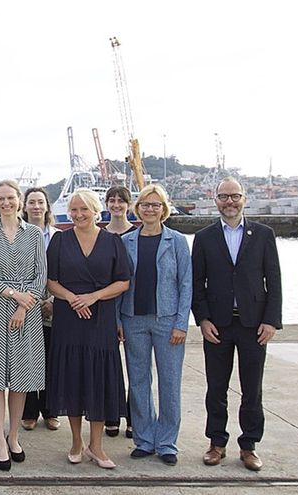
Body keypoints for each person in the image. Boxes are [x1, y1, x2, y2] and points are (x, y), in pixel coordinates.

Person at [192, 177, 282, 472]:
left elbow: (274, 279)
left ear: (244, 198)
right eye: (223, 197)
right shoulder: (204, 238)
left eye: (234, 196)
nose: (229, 202)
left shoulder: (263, 234)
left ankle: (249, 445)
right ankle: (216, 442)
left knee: (251, 389)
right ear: (215, 199)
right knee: (216, 388)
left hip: (253, 324)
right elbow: (197, 284)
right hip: (217, 325)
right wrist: (202, 319)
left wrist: (271, 320)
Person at [46, 188, 130, 470]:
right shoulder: (59, 240)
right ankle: (75, 442)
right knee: (73, 378)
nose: (79, 214)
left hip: (100, 316)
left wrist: (93, 297)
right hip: (68, 319)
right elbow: (50, 280)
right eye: (74, 210)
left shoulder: (112, 242)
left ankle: (96, 445)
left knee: (98, 378)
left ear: (97, 211)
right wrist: (72, 298)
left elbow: (123, 282)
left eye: (84, 209)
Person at [0, 180, 47, 471]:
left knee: (20, 380)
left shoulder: (35, 235)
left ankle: (14, 436)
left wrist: (21, 305)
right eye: (0, 198)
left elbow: (40, 276)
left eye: (10, 197)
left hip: (26, 314)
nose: (6, 202)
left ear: (19, 200)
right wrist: (13, 294)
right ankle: (0, 441)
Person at [118, 184, 191, 466]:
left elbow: (186, 284)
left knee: (170, 382)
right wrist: (117, 320)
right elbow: (121, 284)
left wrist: (181, 324)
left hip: (168, 321)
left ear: (164, 209)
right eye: (145, 205)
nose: (150, 209)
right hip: (133, 319)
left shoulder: (177, 242)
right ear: (138, 209)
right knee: (138, 382)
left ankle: (167, 442)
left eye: (155, 205)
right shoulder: (127, 242)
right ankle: (145, 439)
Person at [21, 187, 61, 432]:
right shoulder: (18, 235)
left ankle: (51, 410)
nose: (36, 207)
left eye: (40, 202)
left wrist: (53, 302)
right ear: (24, 207)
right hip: (26, 304)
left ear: (47, 206)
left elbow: (67, 272)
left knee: (51, 360)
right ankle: (29, 411)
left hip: (54, 306)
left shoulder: (59, 237)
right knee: (27, 359)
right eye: (31, 202)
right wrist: (31, 300)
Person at [103, 184, 135, 438]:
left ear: (128, 204)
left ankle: (135, 417)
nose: (116, 205)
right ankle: (111, 415)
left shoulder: (137, 234)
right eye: (111, 200)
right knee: (110, 367)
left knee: (136, 368)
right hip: (107, 309)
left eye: (120, 200)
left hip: (133, 307)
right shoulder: (102, 235)